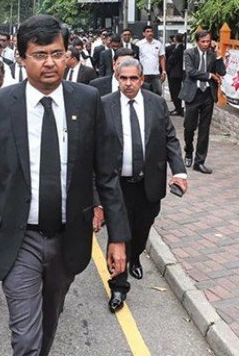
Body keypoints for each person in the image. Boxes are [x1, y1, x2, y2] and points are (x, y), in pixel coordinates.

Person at [0, 15, 129, 356]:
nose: (50, 62)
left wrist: (118, 238)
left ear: (67, 54)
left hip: (68, 237)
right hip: (18, 236)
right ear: (21, 58)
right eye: (40, 55)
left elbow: (106, 174)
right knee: (25, 338)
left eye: (57, 53)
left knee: (49, 322)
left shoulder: (87, 100)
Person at [99, 58, 188, 313]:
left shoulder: (156, 103)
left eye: (133, 78)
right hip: (116, 186)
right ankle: (118, 285)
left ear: (141, 79)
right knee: (118, 234)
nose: (128, 83)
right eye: (123, 78)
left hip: (148, 184)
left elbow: (170, 139)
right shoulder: (104, 105)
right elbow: (95, 148)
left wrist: (179, 172)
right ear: (117, 78)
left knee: (142, 228)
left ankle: (135, 255)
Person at [179, 30, 226, 174]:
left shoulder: (212, 54)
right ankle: (188, 151)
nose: (206, 44)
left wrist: (218, 55)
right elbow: (191, 72)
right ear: (197, 42)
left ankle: (199, 162)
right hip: (193, 94)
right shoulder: (189, 53)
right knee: (189, 127)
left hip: (208, 95)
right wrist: (210, 75)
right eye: (203, 41)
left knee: (204, 130)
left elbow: (222, 72)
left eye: (208, 41)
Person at [136, 26, 166, 95]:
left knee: (158, 92)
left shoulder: (158, 43)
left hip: (155, 74)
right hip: (143, 74)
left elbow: (162, 57)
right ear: (143, 33)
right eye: (148, 31)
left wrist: (163, 71)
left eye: (151, 31)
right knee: (145, 93)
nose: (150, 33)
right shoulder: (139, 44)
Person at [166, 33, 186, 116]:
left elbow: (171, 60)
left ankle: (178, 109)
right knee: (178, 91)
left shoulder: (177, 48)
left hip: (175, 73)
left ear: (175, 39)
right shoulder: (184, 47)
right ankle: (179, 108)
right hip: (179, 72)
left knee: (175, 91)